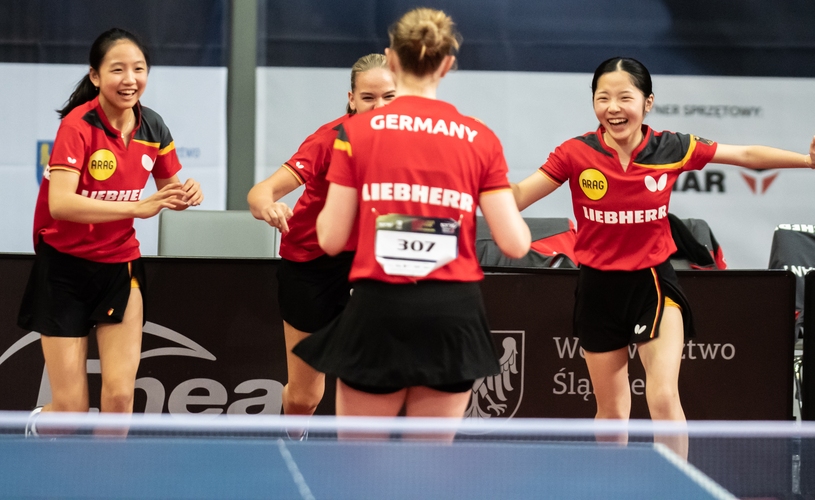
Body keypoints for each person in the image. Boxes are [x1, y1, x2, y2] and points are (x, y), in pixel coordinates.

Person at [512, 56, 815, 456]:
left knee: (662, 397)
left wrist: (808, 161)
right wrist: (471, 178)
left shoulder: (671, 148)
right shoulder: (575, 153)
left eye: (625, 97)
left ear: (647, 102)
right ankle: (611, 485)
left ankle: (676, 488)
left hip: (653, 284)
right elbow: (517, 196)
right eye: (603, 98)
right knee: (612, 408)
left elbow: (745, 156)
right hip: (597, 289)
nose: (613, 108)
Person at [292, 7, 531, 440]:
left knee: (359, 468)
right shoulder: (480, 138)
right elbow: (514, 244)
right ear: (447, 64)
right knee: (428, 470)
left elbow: (328, 239)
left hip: (379, 310)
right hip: (452, 314)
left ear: (392, 60)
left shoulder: (357, 134)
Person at [18, 28, 203, 434]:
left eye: (138, 69)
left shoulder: (153, 126)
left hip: (120, 267)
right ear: (96, 76)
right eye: (117, 69)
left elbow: (170, 188)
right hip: (64, 270)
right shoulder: (78, 126)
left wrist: (187, 192)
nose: (130, 78)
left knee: (120, 399)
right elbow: (60, 202)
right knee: (70, 410)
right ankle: (38, 424)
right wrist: (134, 207)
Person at [247, 54, 396, 423]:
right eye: (368, 98)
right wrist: (268, 207)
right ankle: (294, 446)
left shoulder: (410, 142)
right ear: (351, 98)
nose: (379, 108)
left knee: (369, 379)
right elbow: (261, 192)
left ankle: (357, 464)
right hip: (311, 265)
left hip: (370, 264)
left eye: (389, 97)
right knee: (305, 396)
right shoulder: (329, 140)